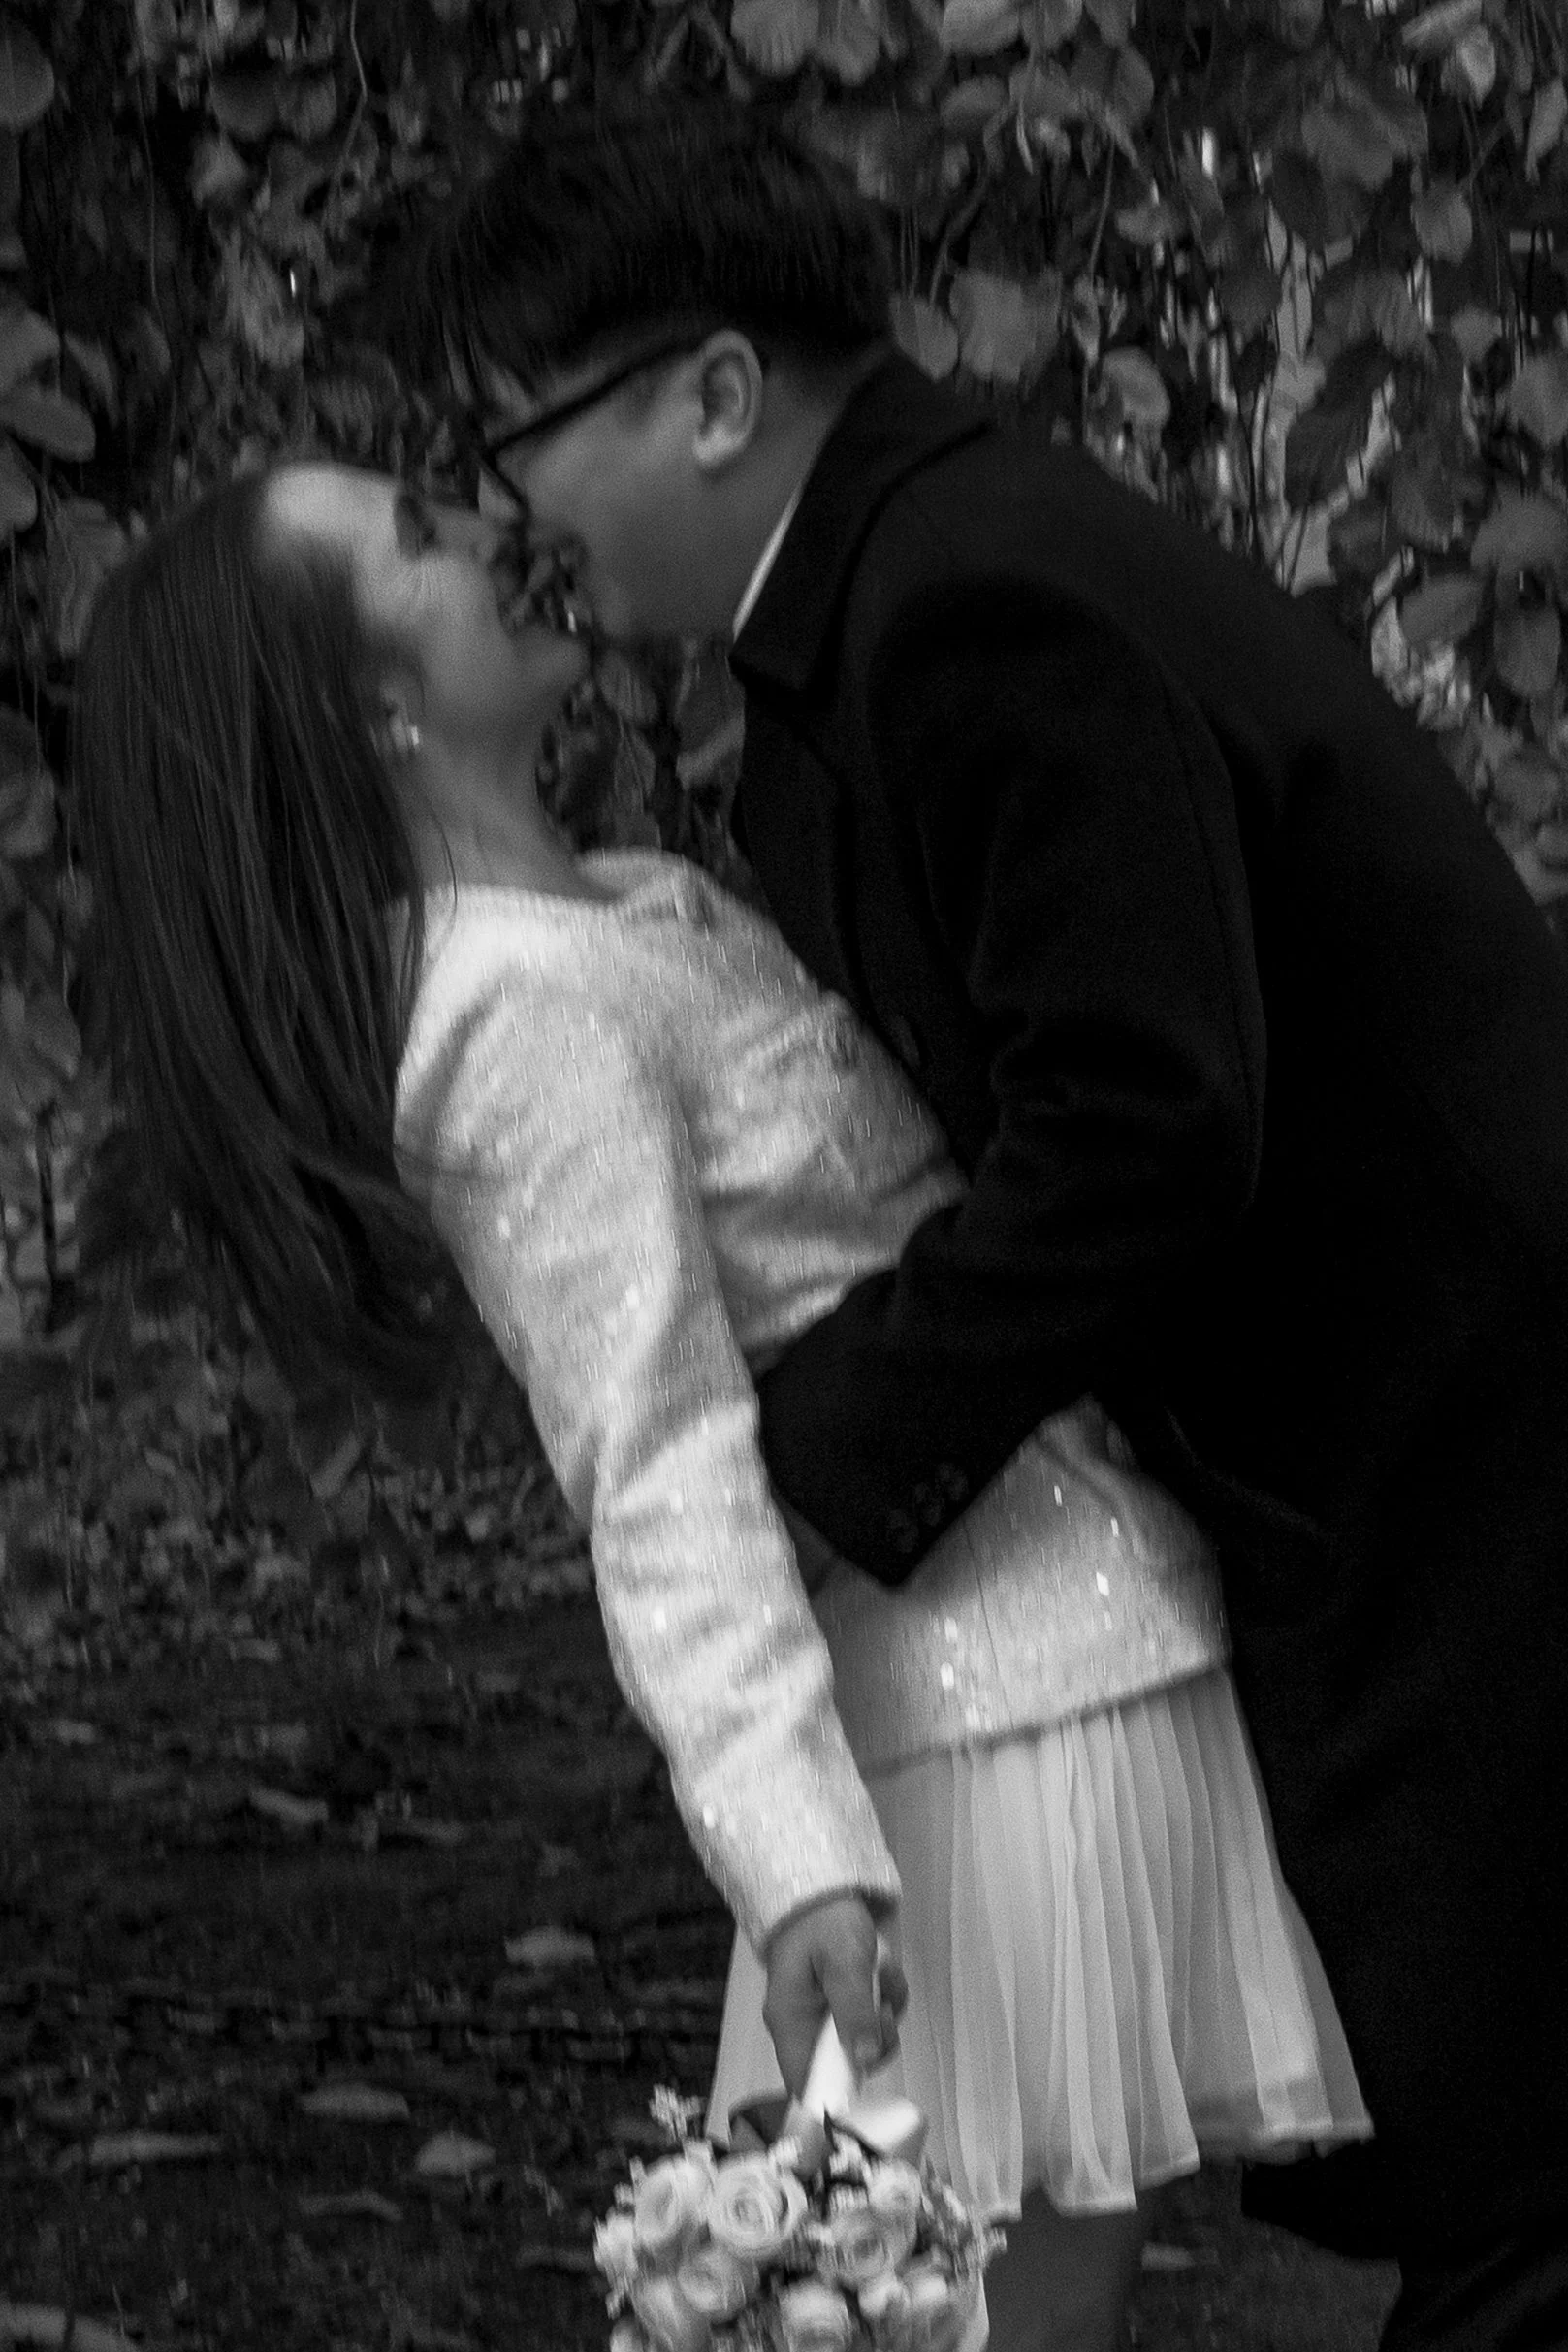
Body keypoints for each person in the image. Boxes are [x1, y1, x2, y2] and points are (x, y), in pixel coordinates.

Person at [396, 93, 1568, 2348]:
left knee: (1526, 2183)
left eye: (516, 435)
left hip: (1459, 1440)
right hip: (1385, 1450)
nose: (508, 511)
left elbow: (1140, 1120)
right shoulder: (893, 594)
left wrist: (804, 1474)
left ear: (717, 396)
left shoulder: (971, 600)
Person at [72, 463, 1371, 2352]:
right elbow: (658, 1456)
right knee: (937, 2318)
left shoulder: (627, 909)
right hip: (956, 1738)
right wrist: (797, 1860)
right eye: (423, 543)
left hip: (1054, 1670)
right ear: (374, 702)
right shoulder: (510, 1011)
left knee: (996, 2314)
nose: (500, 533)